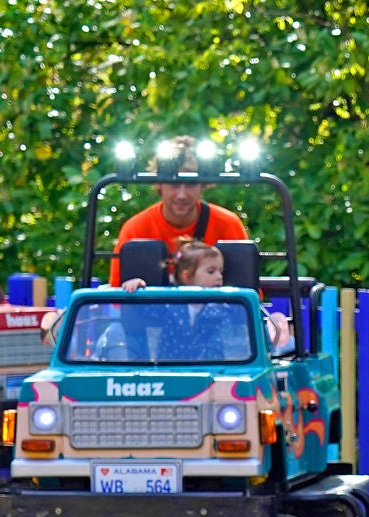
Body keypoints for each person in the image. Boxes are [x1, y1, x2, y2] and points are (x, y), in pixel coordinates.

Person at [108, 135, 250, 285]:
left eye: (190, 184)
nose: (182, 195)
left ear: (202, 185)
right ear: (159, 184)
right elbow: (116, 297)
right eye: (174, 184)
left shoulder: (227, 224)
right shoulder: (135, 230)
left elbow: (249, 292)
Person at [120, 242, 292, 356]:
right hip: (171, 369)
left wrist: (271, 326)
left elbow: (249, 326)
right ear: (187, 276)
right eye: (211, 271)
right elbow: (142, 312)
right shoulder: (168, 302)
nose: (219, 277)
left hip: (215, 371)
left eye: (221, 271)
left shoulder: (227, 304)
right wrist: (136, 287)